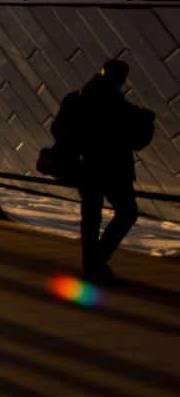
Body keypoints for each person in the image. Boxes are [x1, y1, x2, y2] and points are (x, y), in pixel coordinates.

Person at [61, 59, 153, 284]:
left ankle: (92, 264)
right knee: (127, 213)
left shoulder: (76, 99)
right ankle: (96, 261)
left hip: (85, 167)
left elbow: (59, 130)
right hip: (114, 169)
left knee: (91, 216)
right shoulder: (119, 106)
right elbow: (136, 140)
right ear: (119, 78)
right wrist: (146, 120)